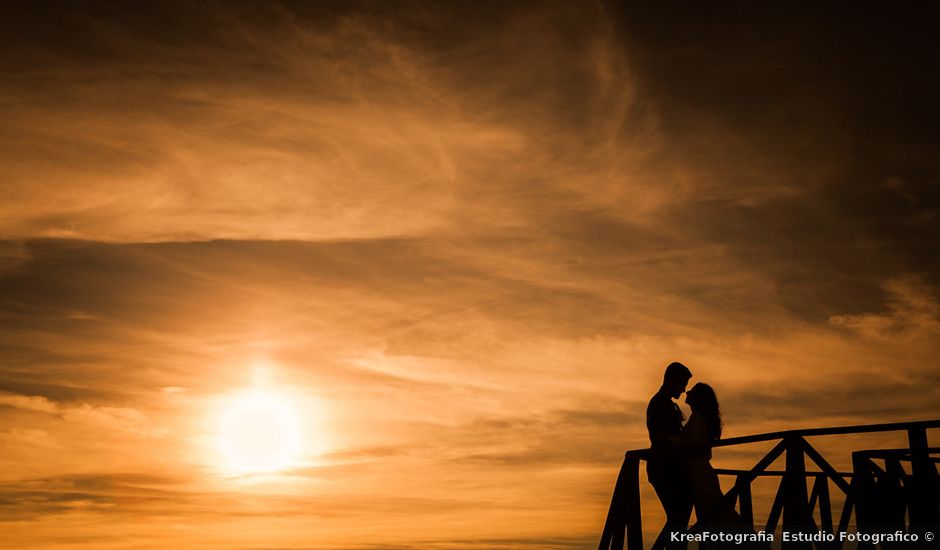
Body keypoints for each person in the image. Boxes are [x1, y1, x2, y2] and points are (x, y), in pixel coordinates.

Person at [647, 361, 694, 550]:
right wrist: (680, 442)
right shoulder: (658, 403)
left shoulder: (668, 404)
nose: (683, 390)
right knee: (678, 517)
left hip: (672, 467)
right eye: (682, 384)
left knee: (678, 518)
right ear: (671, 380)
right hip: (663, 468)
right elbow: (658, 434)